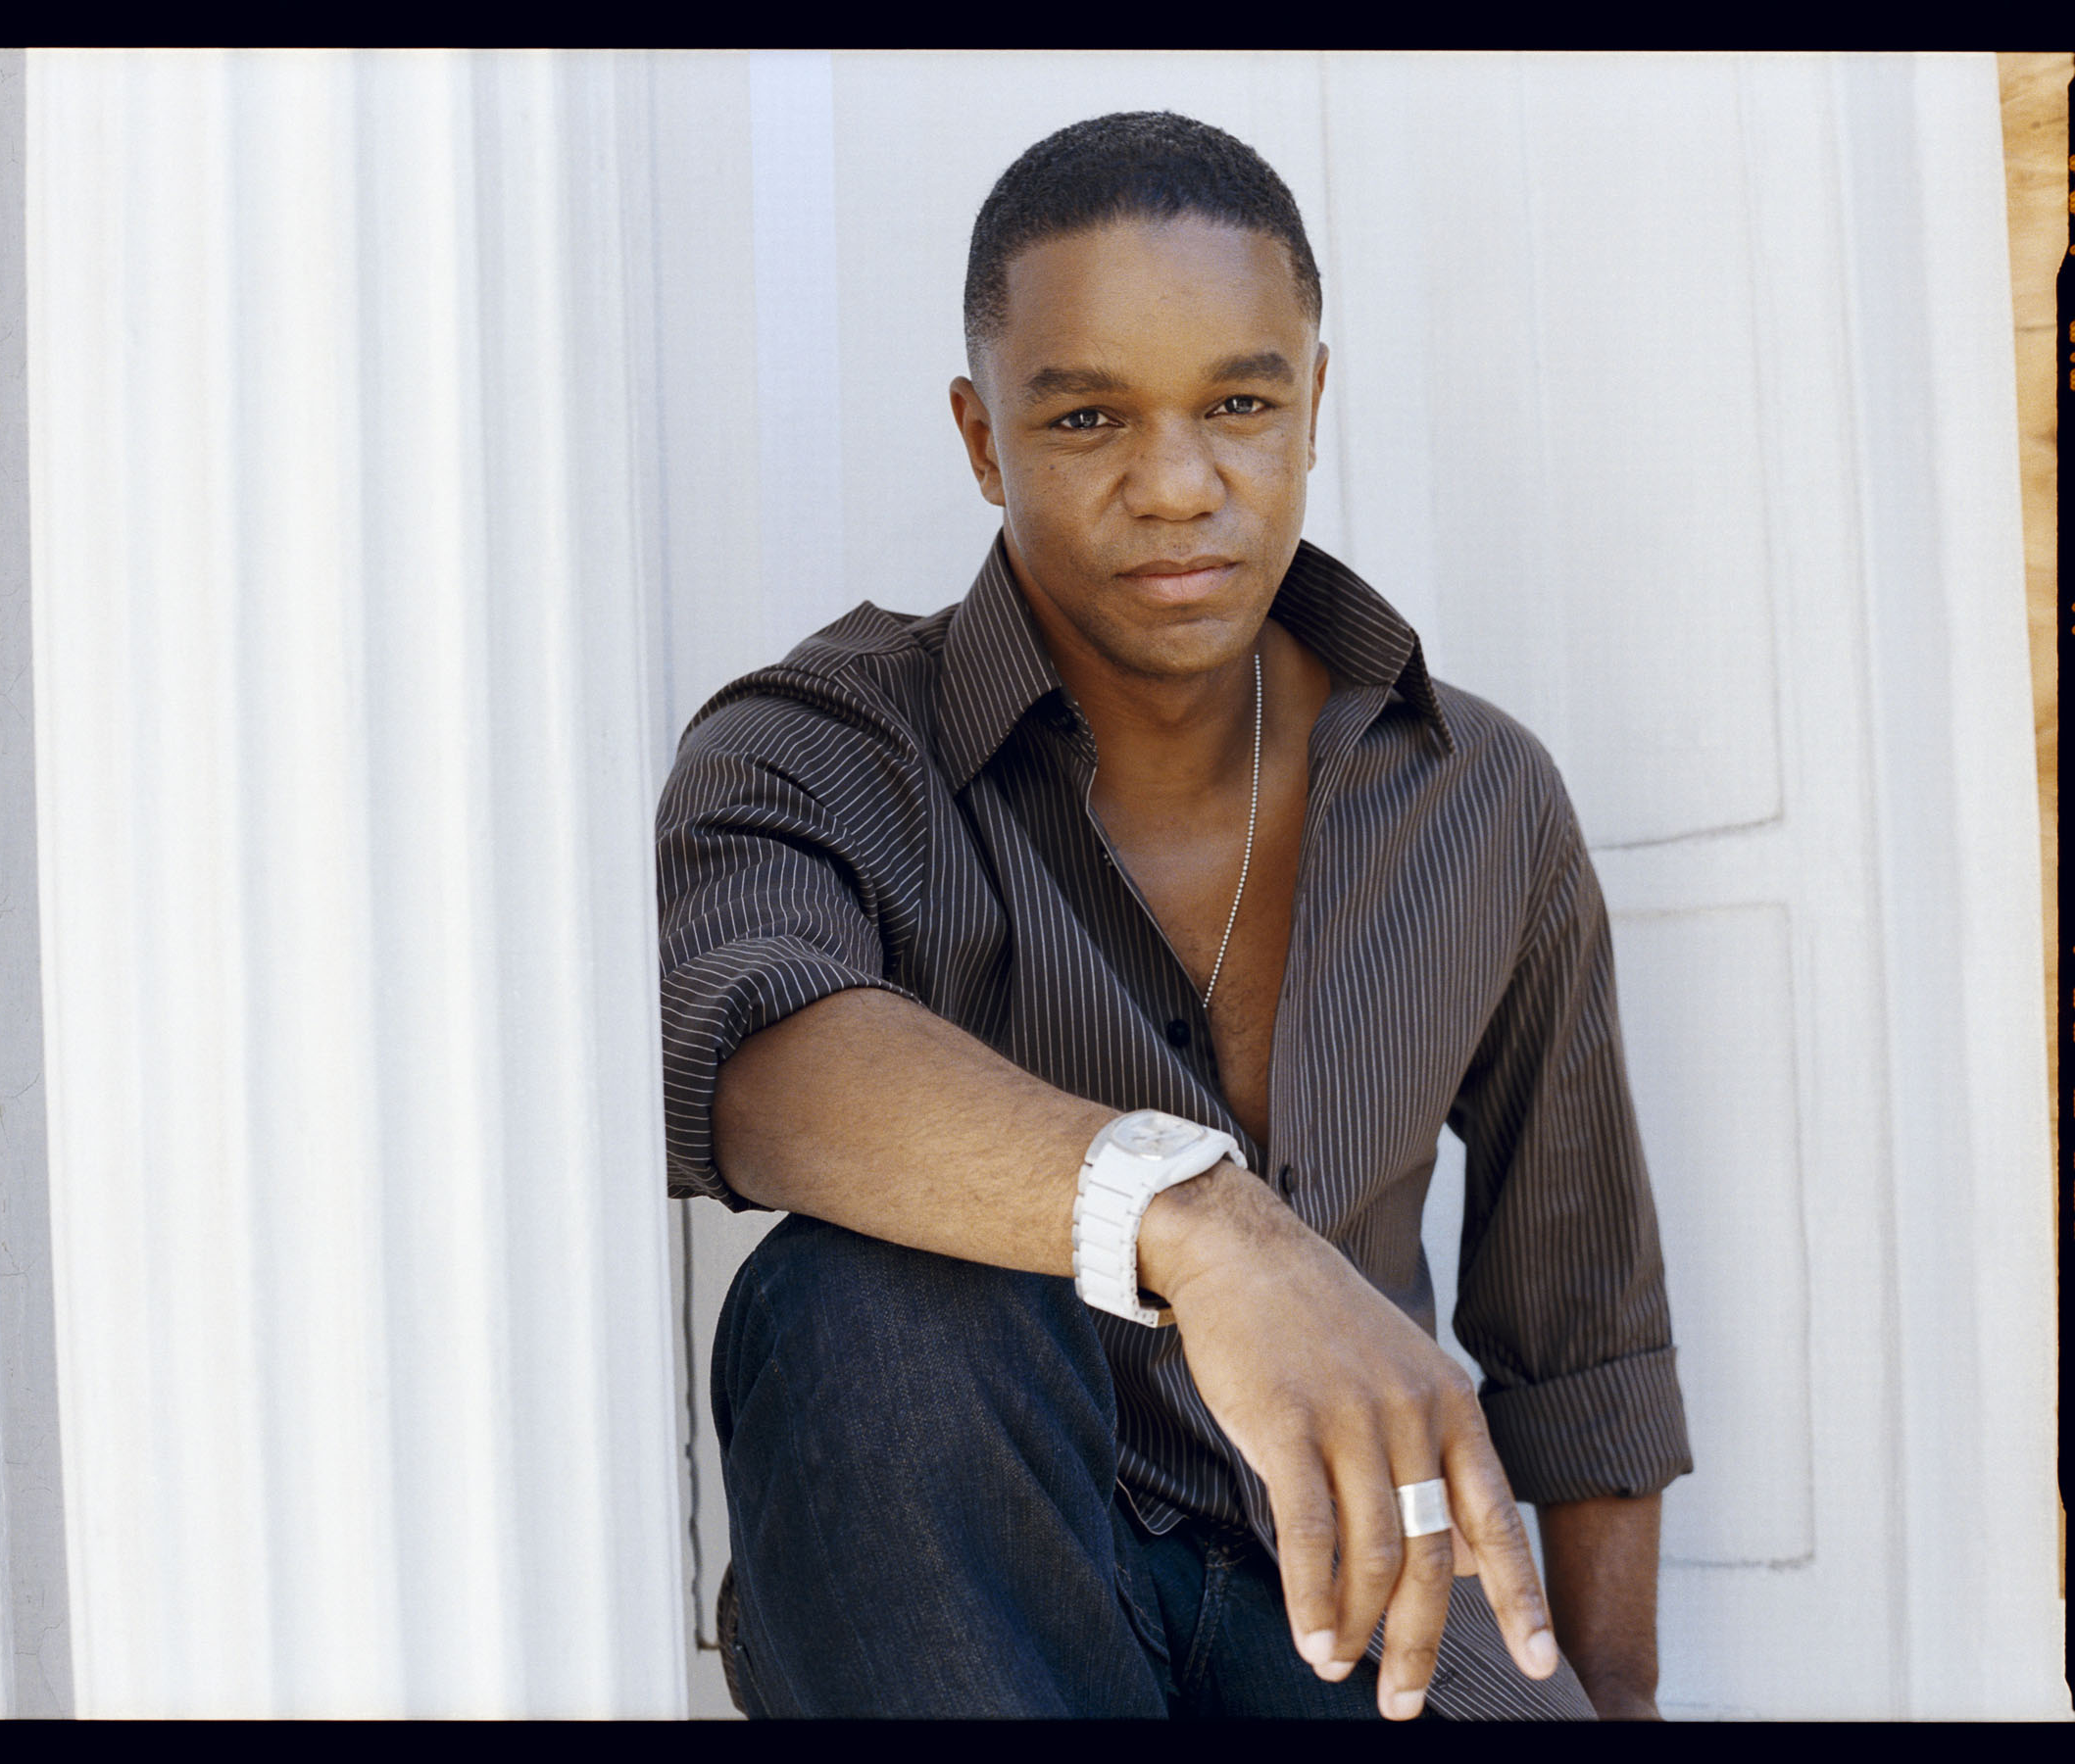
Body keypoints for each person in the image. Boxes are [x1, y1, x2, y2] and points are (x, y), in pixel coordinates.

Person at [658, 111, 1691, 1721]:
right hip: (983, 1587)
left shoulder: (1479, 791)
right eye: (1085, 418)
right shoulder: (819, 745)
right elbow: (750, 1058)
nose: (1177, 484)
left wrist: (1619, 1708)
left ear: (1311, 406)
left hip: (1363, 1598)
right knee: (856, 1305)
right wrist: (1202, 1226)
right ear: (983, 438)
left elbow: (1584, 1332)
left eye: (1236, 403)